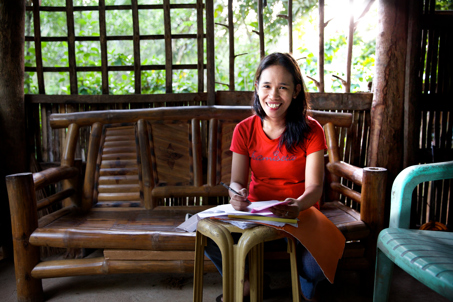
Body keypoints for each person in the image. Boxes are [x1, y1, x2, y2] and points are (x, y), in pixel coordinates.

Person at [205, 52, 327, 301]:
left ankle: (304, 284)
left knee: (315, 269)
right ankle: (250, 282)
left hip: (300, 214)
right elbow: (237, 181)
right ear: (257, 88)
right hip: (257, 213)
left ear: (295, 92)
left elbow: (315, 186)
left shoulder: (312, 129)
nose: (273, 96)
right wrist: (235, 194)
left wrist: (298, 205)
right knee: (209, 237)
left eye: (282, 87)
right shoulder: (244, 129)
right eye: (267, 86)